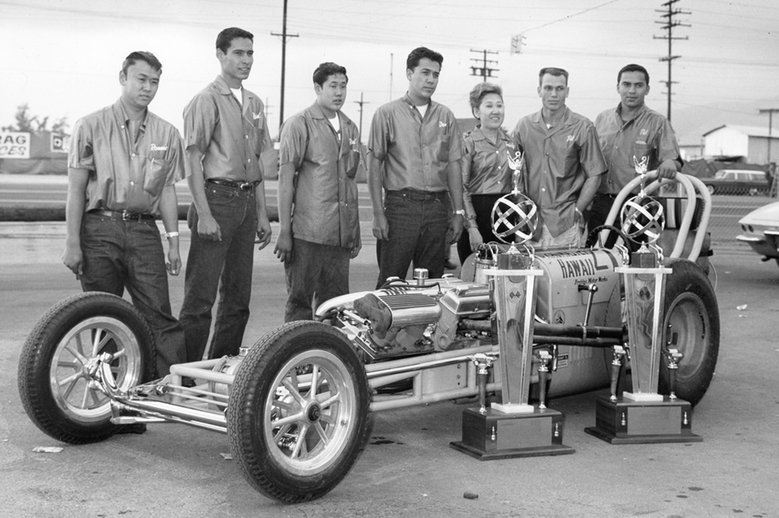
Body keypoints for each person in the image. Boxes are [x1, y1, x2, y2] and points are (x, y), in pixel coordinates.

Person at [63, 51, 186, 378]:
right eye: (141, 79)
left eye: (154, 82)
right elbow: (75, 190)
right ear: (123, 78)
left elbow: (167, 190)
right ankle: (112, 395)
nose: (148, 88)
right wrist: (72, 243)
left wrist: (174, 242)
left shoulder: (167, 133)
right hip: (99, 230)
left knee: (159, 314)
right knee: (105, 318)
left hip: (145, 232)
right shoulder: (90, 125)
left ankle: (167, 389)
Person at [179, 27, 273, 361]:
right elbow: (192, 159)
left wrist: (262, 213)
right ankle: (185, 374)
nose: (246, 60)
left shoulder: (255, 103)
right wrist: (204, 213)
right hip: (216, 199)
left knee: (238, 299)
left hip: (246, 200)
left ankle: (220, 369)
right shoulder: (206, 100)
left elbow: (257, 162)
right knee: (200, 299)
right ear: (220, 55)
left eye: (250, 53)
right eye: (238, 53)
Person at [368, 47, 465, 287]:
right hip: (401, 207)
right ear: (409, 74)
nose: (431, 80)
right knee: (391, 281)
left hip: (437, 207)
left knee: (431, 283)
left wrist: (458, 212)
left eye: (436, 74)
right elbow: (374, 163)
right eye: (425, 73)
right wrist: (378, 213)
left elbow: (453, 165)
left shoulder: (446, 116)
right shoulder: (387, 114)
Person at [274, 62, 362, 322]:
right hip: (307, 234)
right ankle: (297, 349)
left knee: (336, 307)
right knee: (299, 305)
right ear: (317, 88)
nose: (339, 92)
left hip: (339, 237)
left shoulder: (350, 128)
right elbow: (285, 180)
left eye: (343, 86)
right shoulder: (299, 124)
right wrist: (285, 231)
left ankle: (328, 350)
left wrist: (353, 232)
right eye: (332, 86)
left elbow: (350, 183)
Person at [511, 67, 606, 249]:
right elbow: (514, 171)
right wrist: (521, 208)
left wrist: (577, 211)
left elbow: (595, 174)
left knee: (565, 268)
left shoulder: (583, 127)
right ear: (539, 90)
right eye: (548, 88)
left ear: (567, 91)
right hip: (529, 222)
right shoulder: (524, 126)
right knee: (526, 268)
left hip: (565, 224)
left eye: (559, 88)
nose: (554, 94)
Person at [587, 63, 682, 240]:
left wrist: (670, 163)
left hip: (637, 206)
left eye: (638, 85)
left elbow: (673, 160)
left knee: (632, 256)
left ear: (647, 89)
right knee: (597, 254)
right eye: (626, 84)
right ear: (618, 87)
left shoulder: (658, 122)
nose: (632, 90)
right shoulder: (602, 119)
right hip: (601, 204)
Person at [457, 82, 517, 264]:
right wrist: (472, 227)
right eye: (489, 106)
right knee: (476, 274)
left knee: (505, 275)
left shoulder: (512, 144)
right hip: (477, 215)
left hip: (506, 218)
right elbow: (461, 188)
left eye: (499, 105)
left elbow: (518, 186)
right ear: (476, 111)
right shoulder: (467, 143)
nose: (496, 111)